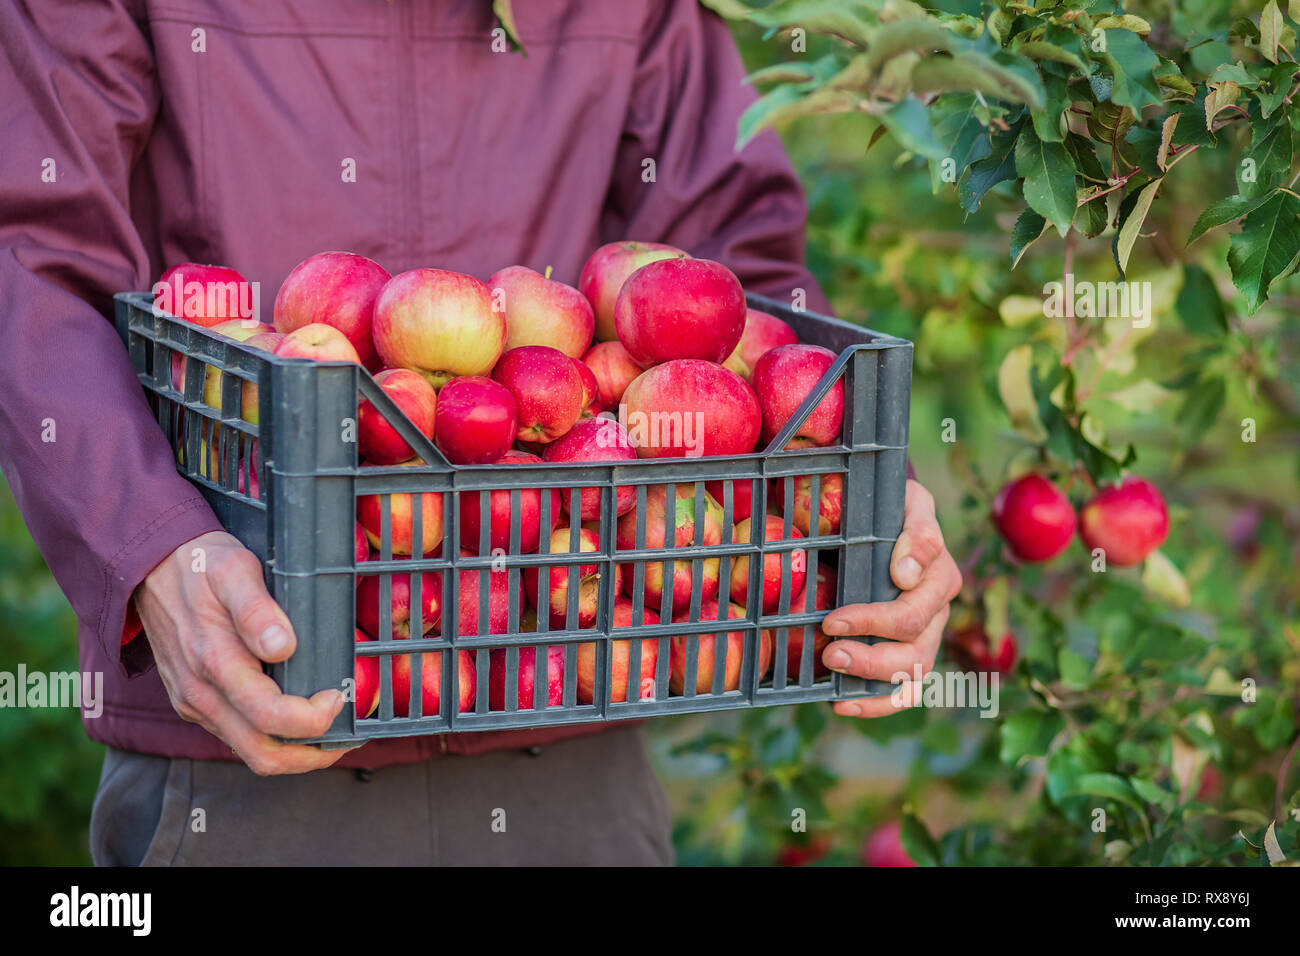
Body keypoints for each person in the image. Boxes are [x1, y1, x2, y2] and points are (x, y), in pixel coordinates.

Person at [0, 0, 961, 865]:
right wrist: (150, 545)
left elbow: (730, 283)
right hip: (250, 731)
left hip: (570, 701)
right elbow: (32, 255)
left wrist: (868, 505)